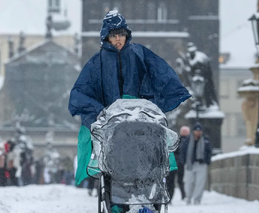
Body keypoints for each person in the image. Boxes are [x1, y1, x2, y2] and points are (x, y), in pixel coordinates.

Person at [68, 10, 191, 187]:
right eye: (113, 35)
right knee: (116, 159)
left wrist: (154, 101)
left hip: (138, 119)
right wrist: (99, 110)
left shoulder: (139, 54)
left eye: (121, 34)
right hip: (111, 124)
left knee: (144, 155)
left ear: (127, 35)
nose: (118, 39)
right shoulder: (97, 62)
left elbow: (160, 73)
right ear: (106, 37)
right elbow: (81, 92)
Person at [179, 123, 212, 205]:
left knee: (200, 183)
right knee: (188, 182)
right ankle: (188, 197)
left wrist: (207, 160)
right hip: (190, 164)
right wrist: (183, 161)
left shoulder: (205, 140)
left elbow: (209, 151)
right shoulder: (188, 140)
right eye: (196, 130)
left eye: (200, 130)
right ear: (193, 131)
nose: (198, 132)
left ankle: (197, 199)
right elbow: (182, 151)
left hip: (201, 163)